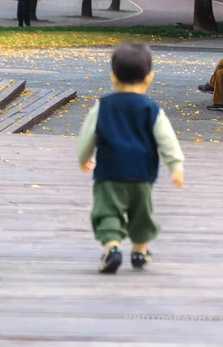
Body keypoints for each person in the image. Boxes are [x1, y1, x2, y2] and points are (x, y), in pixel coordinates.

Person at [77, 42, 184, 274]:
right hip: (142, 173)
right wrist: (175, 166)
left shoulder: (103, 106)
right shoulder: (152, 108)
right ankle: (140, 250)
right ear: (149, 78)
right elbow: (167, 139)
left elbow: (88, 134)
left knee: (107, 211)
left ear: (113, 78)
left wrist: (83, 157)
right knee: (141, 212)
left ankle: (112, 247)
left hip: (109, 172)